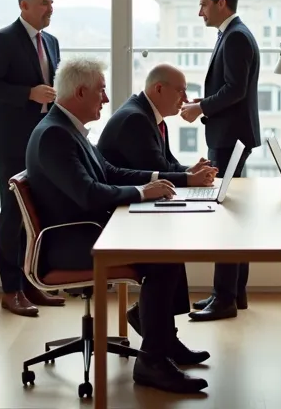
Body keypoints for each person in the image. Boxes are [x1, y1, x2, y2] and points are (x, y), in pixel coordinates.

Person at [25, 58, 210, 394]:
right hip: (70, 242)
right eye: (101, 91)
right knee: (161, 259)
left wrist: (166, 181)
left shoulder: (66, 128)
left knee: (165, 251)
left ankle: (161, 345)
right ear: (81, 92)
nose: (107, 99)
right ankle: (153, 362)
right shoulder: (55, 134)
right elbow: (88, 194)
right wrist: (143, 192)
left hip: (87, 229)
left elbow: (109, 172)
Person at [0, 0, 67, 317]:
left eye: (52, 3)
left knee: (38, 215)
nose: (50, 8)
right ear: (24, 5)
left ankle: (33, 284)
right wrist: (29, 93)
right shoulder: (2, 39)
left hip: (43, 140)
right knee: (13, 214)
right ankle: (10, 290)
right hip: (12, 142)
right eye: (45, 3)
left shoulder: (53, 43)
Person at [178, 0, 260, 322]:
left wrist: (201, 108)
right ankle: (233, 293)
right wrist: (204, 103)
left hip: (229, 138)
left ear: (222, 3)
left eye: (204, 5)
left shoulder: (237, 36)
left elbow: (235, 90)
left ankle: (224, 297)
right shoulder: (233, 34)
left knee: (224, 215)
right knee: (231, 215)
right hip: (229, 134)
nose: (200, 12)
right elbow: (230, 89)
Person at [96, 63, 217, 185]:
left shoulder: (151, 116)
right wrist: (190, 177)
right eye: (180, 91)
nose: (186, 98)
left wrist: (190, 170)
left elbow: (169, 165)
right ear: (159, 89)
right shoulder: (135, 120)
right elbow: (158, 171)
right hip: (121, 201)